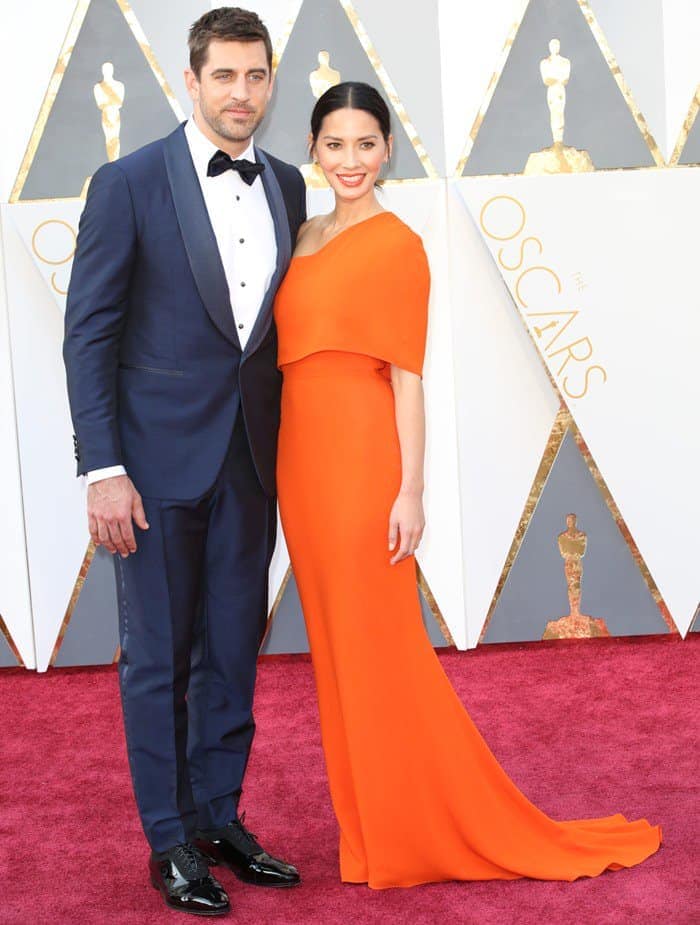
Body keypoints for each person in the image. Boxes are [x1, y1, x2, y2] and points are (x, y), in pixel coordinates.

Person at [273, 81, 662, 889]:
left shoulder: (398, 242)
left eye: (367, 144)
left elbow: (408, 380)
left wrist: (409, 489)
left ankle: (417, 827)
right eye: (335, 144)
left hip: (360, 464)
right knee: (338, 657)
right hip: (298, 467)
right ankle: (371, 831)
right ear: (313, 147)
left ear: (388, 150)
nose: (351, 160)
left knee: (382, 650)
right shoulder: (301, 234)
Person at [64, 8, 305, 916]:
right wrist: (103, 468)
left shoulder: (286, 183)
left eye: (256, 76)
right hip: (153, 470)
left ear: (269, 80)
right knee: (158, 661)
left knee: (232, 653)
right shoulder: (126, 183)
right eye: (225, 77)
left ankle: (217, 818)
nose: (242, 93)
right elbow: (88, 333)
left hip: (250, 460)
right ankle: (168, 841)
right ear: (191, 80)